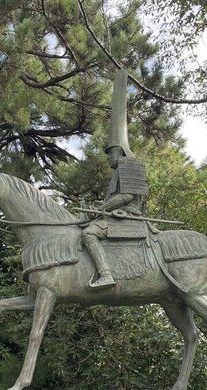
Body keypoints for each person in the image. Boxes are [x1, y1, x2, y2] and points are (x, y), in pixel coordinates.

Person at [82, 69, 149, 289]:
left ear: (119, 151)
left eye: (110, 151)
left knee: (89, 234)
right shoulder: (120, 170)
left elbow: (127, 196)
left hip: (127, 216)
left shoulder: (128, 165)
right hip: (116, 214)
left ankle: (106, 274)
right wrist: (98, 208)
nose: (108, 157)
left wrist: (103, 207)